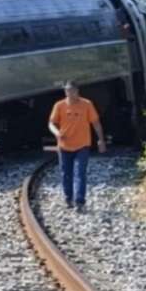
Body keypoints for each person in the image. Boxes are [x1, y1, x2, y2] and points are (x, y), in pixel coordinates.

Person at [47, 81, 107, 211]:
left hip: (82, 145)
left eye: (72, 90)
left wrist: (101, 140)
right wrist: (57, 133)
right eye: (67, 90)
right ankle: (68, 198)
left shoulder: (86, 104)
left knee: (80, 173)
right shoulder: (59, 105)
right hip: (64, 146)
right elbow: (51, 123)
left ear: (77, 91)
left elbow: (96, 123)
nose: (69, 93)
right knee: (66, 173)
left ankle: (80, 201)